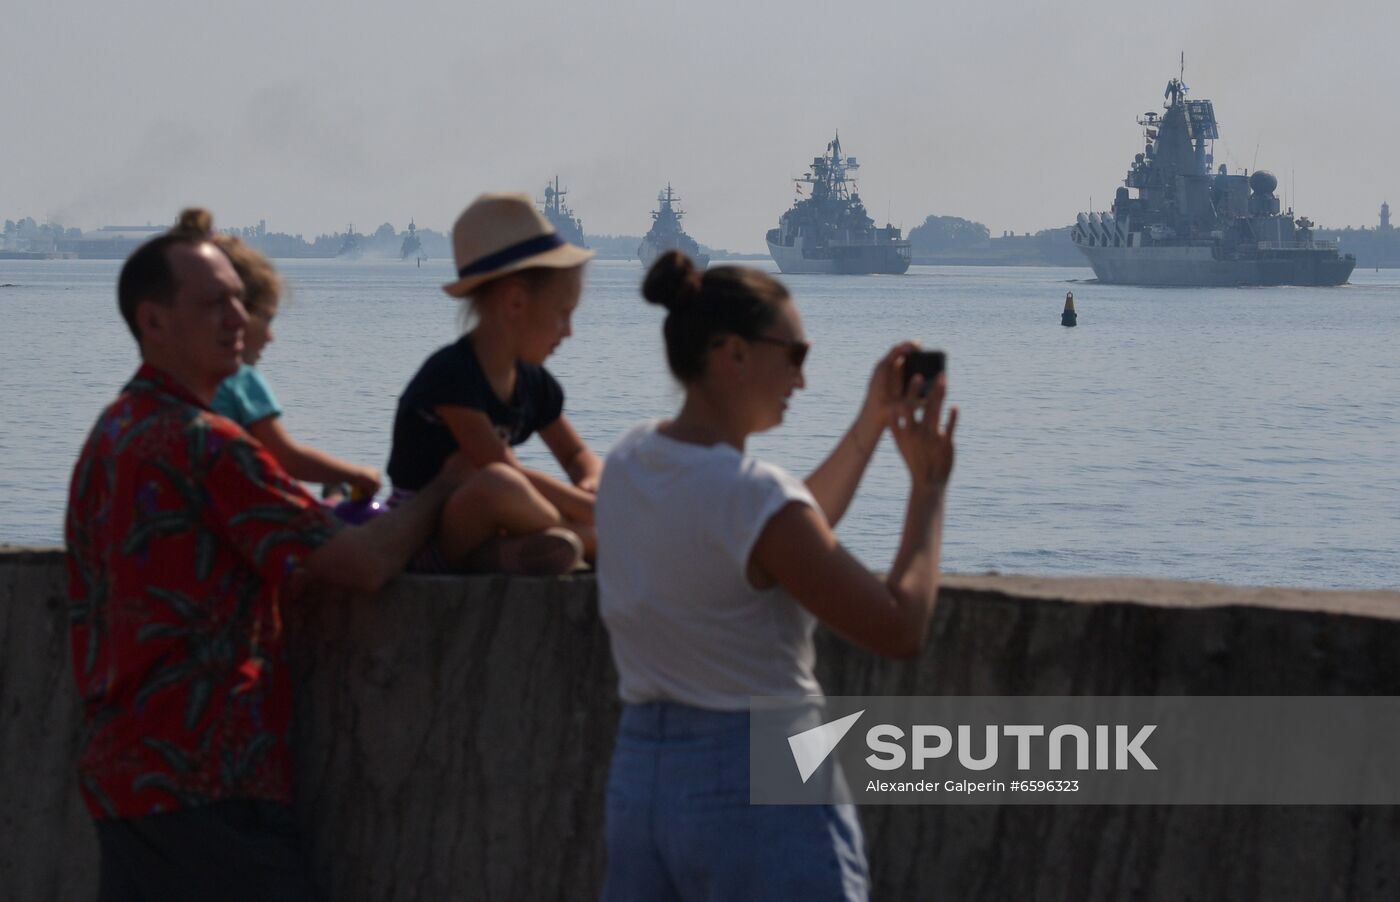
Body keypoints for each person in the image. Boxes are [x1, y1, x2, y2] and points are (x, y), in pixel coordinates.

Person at [65, 222, 469, 901]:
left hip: (125, 780)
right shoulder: (209, 446)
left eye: (237, 300)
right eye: (211, 304)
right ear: (153, 322)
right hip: (210, 787)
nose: (237, 318)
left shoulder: (109, 434)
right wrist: (443, 489)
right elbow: (363, 563)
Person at [595, 251, 958, 901]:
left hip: (643, 777)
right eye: (795, 355)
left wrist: (871, 422)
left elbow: (780, 534)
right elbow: (900, 628)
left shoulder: (629, 463)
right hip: (760, 777)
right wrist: (928, 491)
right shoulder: (751, 498)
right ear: (733, 355)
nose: (802, 380)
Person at [386, 192, 598, 574]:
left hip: (500, 520)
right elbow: (499, 465)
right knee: (498, 484)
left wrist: (591, 483)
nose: (569, 332)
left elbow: (574, 454)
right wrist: (590, 511)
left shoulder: (532, 381)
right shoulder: (451, 375)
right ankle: (586, 541)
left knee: (598, 495)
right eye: (562, 315)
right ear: (515, 303)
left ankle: (516, 553)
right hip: (422, 530)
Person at [156, 210, 381, 500]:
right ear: (237, 314)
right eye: (268, 320)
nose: (270, 337)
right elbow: (288, 458)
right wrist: (357, 474)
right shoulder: (241, 382)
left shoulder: (162, 386)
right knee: (339, 501)